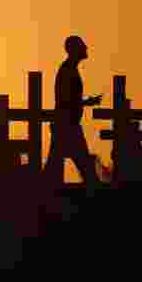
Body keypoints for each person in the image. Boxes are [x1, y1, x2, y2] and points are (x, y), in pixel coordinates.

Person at [44, 36, 103, 190]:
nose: (86, 48)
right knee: (84, 166)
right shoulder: (67, 70)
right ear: (75, 50)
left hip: (67, 125)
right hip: (67, 126)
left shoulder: (69, 69)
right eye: (83, 46)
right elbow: (66, 101)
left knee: (56, 166)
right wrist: (86, 102)